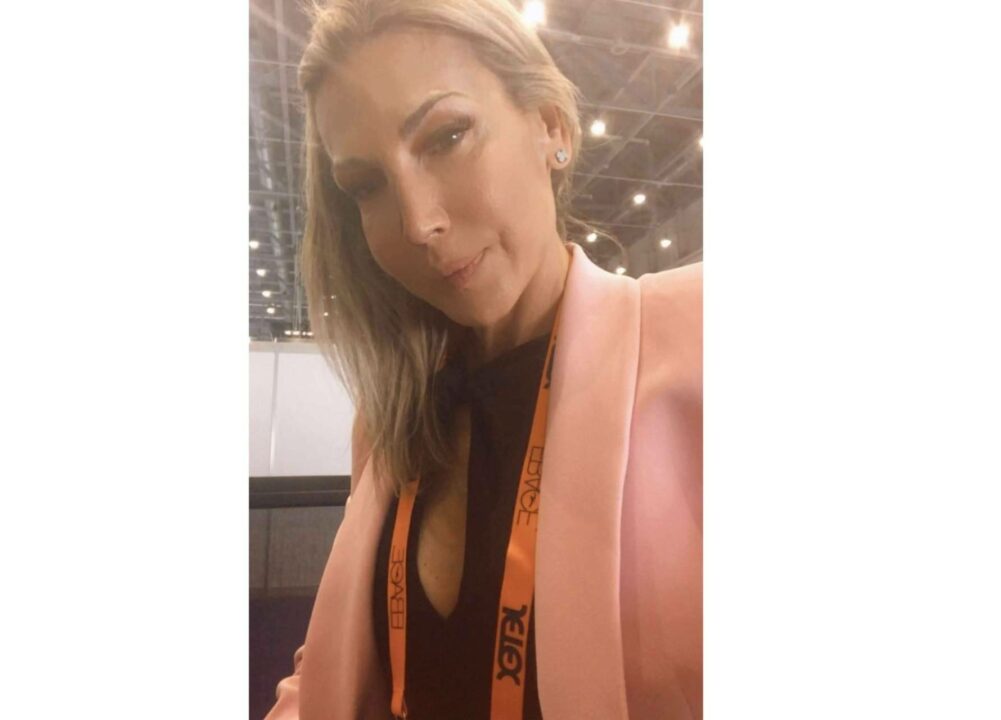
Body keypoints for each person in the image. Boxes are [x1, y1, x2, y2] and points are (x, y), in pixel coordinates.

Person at [265, 0, 701, 718]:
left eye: (447, 136)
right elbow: (334, 665)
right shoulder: (392, 422)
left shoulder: (697, 338)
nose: (418, 223)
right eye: (367, 185)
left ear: (551, 126)